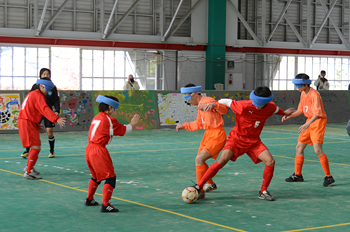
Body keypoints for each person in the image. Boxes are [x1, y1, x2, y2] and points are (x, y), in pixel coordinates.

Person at [192, 86, 295, 201]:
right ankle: (199, 186)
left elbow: (277, 110)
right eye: (255, 102)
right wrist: (213, 104)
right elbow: (225, 101)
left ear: (266, 102)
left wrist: (285, 113)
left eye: (259, 103)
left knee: (270, 161)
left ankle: (263, 191)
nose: (256, 105)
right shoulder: (244, 105)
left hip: (254, 142)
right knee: (222, 160)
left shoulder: (270, 107)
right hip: (236, 139)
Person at [84, 95, 140, 213]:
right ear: (109, 107)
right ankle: (105, 204)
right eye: (113, 109)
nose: (114, 111)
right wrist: (133, 124)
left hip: (89, 149)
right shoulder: (108, 119)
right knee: (110, 177)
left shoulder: (96, 117)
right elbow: (124, 130)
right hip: (99, 150)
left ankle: (89, 199)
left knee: (96, 176)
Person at [176, 84, 228, 198]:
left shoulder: (208, 100)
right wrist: (183, 126)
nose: (188, 102)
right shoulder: (200, 106)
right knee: (200, 161)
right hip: (208, 134)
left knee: (199, 159)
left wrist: (214, 104)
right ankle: (210, 184)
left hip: (217, 135)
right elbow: (199, 124)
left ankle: (200, 190)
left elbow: (224, 110)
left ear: (195, 94)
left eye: (187, 98)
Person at [283, 73, 335, 186]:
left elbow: (317, 114)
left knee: (317, 150)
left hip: (318, 121)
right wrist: (289, 115)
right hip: (310, 121)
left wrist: (307, 124)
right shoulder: (303, 93)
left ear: (305, 84)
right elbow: (300, 110)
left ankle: (328, 176)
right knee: (299, 147)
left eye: (299, 85)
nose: (297, 87)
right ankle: (298, 175)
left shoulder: (314, 95)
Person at [18, 79, 66, 179]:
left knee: (35, 146)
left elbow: (32, 109)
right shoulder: (38, 95)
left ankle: (29, 167)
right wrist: (56, 119)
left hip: (27, 121)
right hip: (27, 122)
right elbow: (44, 109)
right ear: (41, 86)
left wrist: (36, 124)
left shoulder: (33, 94)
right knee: (36, 147)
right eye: (47, 89)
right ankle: (28, 171)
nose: (48, 92)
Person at [21, 68, 60, 158]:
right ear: (40, 76)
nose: (46, 75)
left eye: (47, 74)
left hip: (47, 111)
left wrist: (57, 110)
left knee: (49, 132)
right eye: (44, 74)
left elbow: (56, 99)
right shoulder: (35, 86)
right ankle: (27, 150)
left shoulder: (52, 87)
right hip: (37, 112)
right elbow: (30, 99)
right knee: (31, 131)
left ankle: (52, 150)